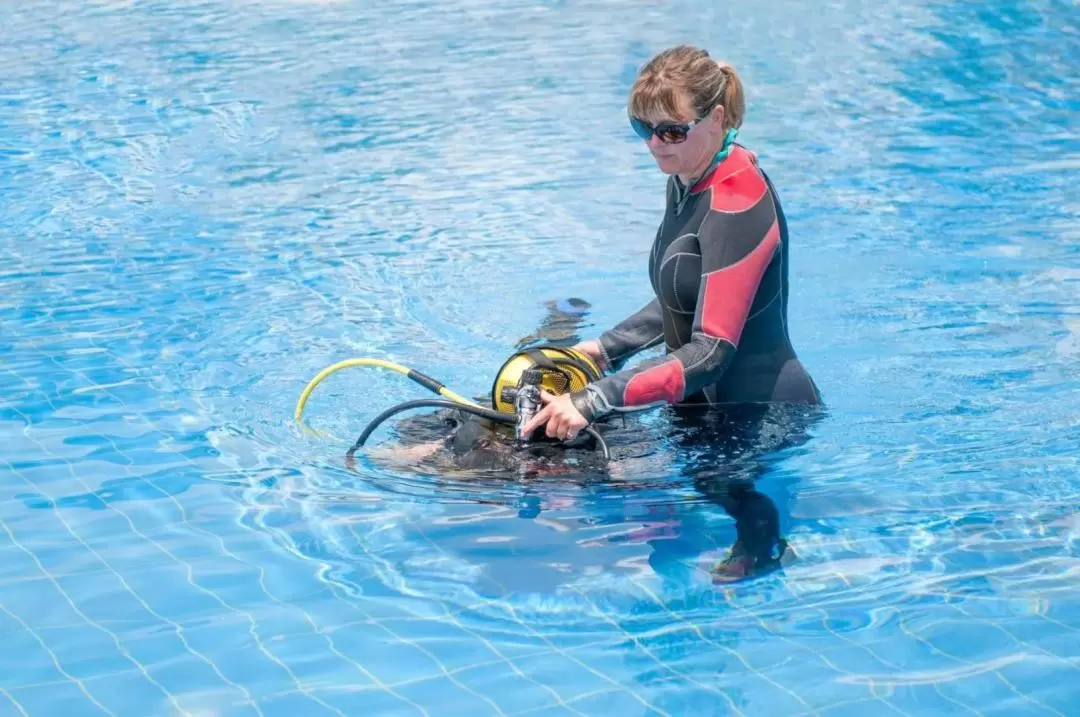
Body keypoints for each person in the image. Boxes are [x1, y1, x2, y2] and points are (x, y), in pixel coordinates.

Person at [520, 45, 822, 443]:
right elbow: (691, 294)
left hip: (759, 423)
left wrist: (595, 398)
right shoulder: (687, 177)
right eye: (642, 127)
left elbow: (712, 351)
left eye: (672, 130)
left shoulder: (738, 201)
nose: (655, 143)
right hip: (698, 409)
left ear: (715, 119)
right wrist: (605, 349)